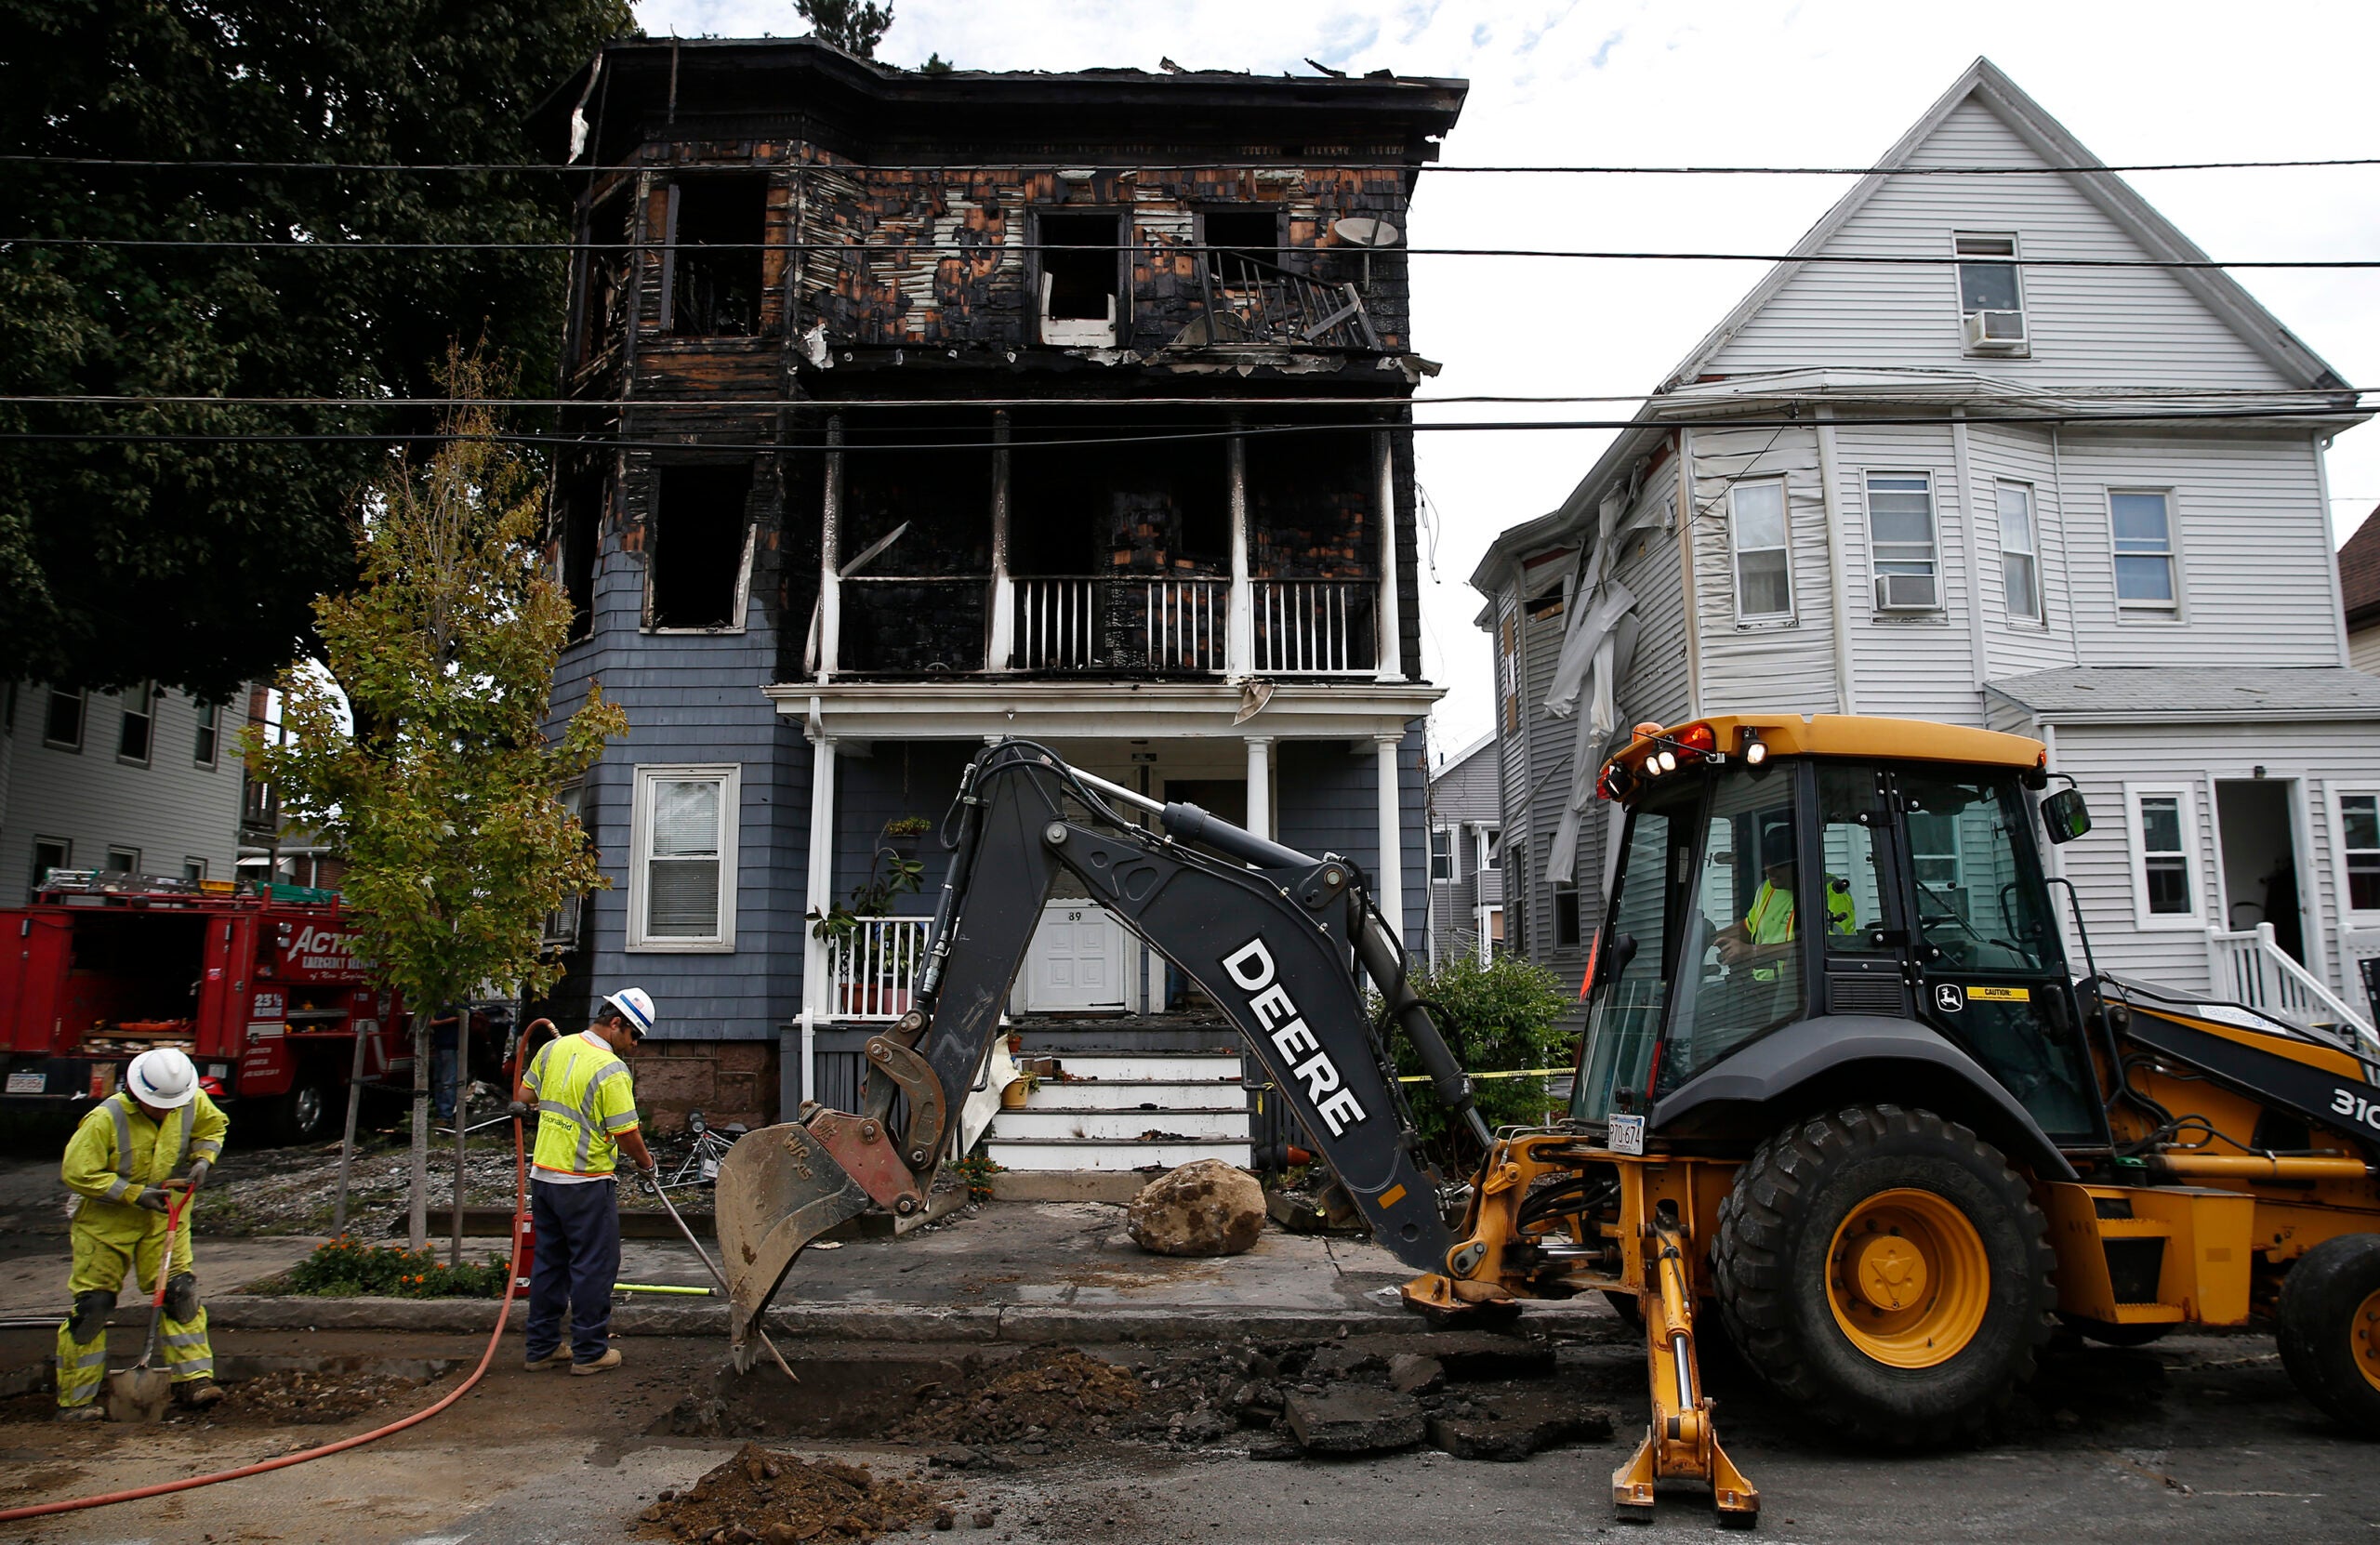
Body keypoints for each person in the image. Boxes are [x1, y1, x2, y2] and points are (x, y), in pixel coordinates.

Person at [54, 1048, 227, 1420]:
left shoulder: (188, 1100)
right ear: (138, 1093)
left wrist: (202, 1160)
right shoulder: (105, 1119)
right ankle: (76, 1402)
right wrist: (133, 1193)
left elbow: (212, 1128)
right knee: (93, 1307)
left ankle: (195, 1380)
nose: (168, 1112)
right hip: (105, 1223)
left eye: (172, 1107)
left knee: (180, 1292)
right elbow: (77, 1172)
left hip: (165, 1214)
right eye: (159, 1107)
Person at [513, 988, 657, 1375]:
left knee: (549, 1264)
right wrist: (646, 1164)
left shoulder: (552, 1050)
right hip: (585, 1182)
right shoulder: (611, 1070)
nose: (635, 1045)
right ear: (616, 1024)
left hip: (544, 1178)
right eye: (634, 1036)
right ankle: (590, 1351)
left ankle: (541, 1348)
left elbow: (524, 1094)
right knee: (594, 1266)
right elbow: (627, 1133)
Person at [429, 1004, 463, 1122]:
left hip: (450, 1044)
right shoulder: (438, 998)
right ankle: (441, 1113)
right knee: (439, 1080)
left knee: (447, 1081)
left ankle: (446, 1115)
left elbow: (462, 1015)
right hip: (440, 1044)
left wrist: (436, 1023)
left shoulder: (456, 1000)